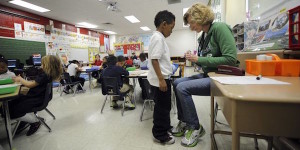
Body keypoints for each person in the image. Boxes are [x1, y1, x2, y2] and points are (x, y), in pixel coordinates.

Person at [171, 3, 239, 147]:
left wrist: (199, 59)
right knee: (176, 83)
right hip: (210, 75)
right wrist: (194, 60)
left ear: (201, 17)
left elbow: (231, 59)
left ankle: (195, 127)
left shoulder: (219, 28)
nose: (191, 27)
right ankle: (185, 121)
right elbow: (206, 63)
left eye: (192, 23)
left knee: (182, 88)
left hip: (223, 77)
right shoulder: (203, 37)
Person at [9, 55, 62, 136]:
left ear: (48, 65)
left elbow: (30, 85)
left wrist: (20, 79)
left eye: (43, 64)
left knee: (14, 109)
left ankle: (35, 122)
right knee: (14, 102)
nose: (41, 66)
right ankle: (26, 119)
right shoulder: (47, 75)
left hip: (37, 99)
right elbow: (34, 83)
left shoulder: (44, 75)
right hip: (37, 97)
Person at [147, 10, 175, 144]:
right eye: (171, 27)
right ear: (164, 24)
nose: (171, 31)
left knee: (165, 106)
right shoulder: (158, 38)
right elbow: (154, 60)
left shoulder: (158, 37)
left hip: (162, 79)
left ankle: (166, 127)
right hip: (161, 81)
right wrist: (161, 79)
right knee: (162, 108)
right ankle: (160, 134)